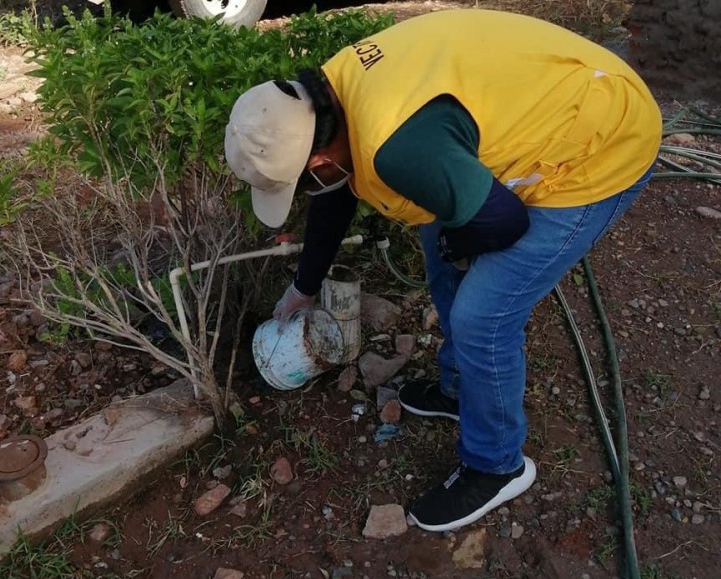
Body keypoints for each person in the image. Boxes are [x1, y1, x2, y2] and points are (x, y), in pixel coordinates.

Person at [224, 8, 662, 532]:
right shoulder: (328, 94)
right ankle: (459, 391)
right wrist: (304, 286)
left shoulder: (394, 145)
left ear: (316, 160)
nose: (308, 192)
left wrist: (459, 243)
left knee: (484, 317)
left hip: (603, 137)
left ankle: (496, 465)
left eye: (302, 183)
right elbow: (337, 194)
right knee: (441, 247)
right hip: (556, 90)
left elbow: (502, 222)